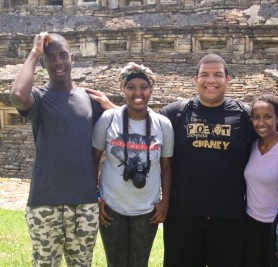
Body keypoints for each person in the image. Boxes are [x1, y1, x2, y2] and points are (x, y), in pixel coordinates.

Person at [9, 32, 115, 266]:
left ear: (72, 58)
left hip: (84, 204)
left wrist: (111, 107)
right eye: (50, 58)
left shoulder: (88, 99)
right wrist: (35, 52)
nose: (58, 62)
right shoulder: (39, 98)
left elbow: (125, 127)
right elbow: (17, 95)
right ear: (43, 63)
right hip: (45, 202)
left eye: (63, 55)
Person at [159, 53, 253, 267]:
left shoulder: (244, 114)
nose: (211, 80)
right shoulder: (175, 113)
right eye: (205, 75)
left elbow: (272, 135)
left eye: (218, 75)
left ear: (228, 79)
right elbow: (142, 126)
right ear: (195, 79)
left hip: (229, 218)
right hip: (183, 217)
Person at [92, 62, 174, 267]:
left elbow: (166, 167)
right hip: (111, 206)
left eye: (144, 87)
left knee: (140, 263)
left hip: (147, 209)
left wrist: (164, 202)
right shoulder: (109, 119)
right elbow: (93, 160)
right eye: (131, 87)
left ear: (151, 90)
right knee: (116, 263)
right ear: (123, 89)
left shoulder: (162, 124)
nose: (138, 93)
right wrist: (96, 198)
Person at [244, 94, 278, 267]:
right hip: (249, 223)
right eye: (256, 117)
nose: (260, 123)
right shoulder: (249, 145)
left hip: (276, 224)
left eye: (267, 117)